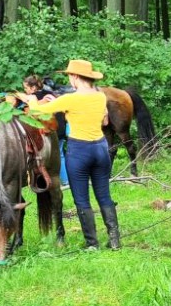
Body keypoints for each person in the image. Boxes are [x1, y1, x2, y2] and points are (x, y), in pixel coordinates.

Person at [16, 59, 120, 250]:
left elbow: (38, 110)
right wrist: (59, 102)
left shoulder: (70, 99)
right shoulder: (100, 96)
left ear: (74, 77)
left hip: (80, 151)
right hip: (100, 148)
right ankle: (114, 240)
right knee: (103, 195)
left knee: (81, 199)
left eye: (69, 76)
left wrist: (30, 99)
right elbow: (105, 122)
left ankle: (92, 243)